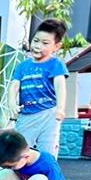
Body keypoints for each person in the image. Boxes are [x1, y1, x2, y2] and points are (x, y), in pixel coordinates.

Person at [9, 19, 69, 157]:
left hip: (49, 114)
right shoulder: (22, 66)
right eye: (36, 41)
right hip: (26, 115)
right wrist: (11, 103)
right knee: (19, 151)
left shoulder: (55, 64)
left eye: (45, 43)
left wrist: (60, 108)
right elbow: (14, 86)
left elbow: (60, 86)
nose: (37, 46)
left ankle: (48, 171)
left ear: (56, 46)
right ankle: (18, 171)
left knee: (47, 152)